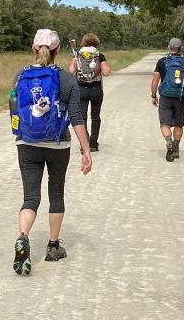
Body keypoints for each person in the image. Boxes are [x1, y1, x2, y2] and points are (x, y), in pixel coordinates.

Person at [10, 28, 92, 276]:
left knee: (30, 197)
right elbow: (77, 116)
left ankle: (23, 236)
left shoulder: (20, 75)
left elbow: (14, 109)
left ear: (33, 49)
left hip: (27, 143)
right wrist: (86, 150)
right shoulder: (66, 79)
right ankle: (53, 246)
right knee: (56, 193)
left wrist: (22, 135)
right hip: (57, 144)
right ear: (57, 51)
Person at [150, 37, 184, 162]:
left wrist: (154, 95)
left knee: (164, 123)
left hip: (166, 97)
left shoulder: (162, 62)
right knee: (178, 124)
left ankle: (169, 141)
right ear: (180, 48)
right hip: (180, 98)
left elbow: (155, 80)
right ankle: (176, 148)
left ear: (169, 47)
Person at [68, 32, 111, 151]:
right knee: (95, 116)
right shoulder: (99, 55)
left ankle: (84, 143)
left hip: (81, 89)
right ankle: (93, 143)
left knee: (82, 117)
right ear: (96, 42)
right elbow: (106, 72)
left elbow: (71, 70)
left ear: (84, 42)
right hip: (96, 89)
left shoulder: (77, 54)